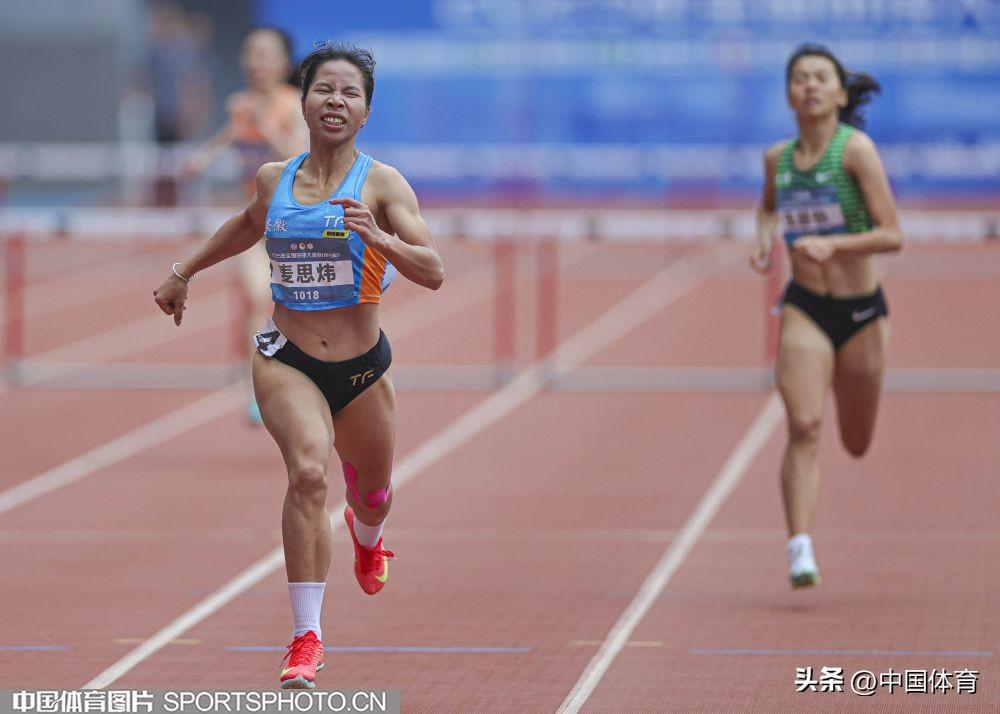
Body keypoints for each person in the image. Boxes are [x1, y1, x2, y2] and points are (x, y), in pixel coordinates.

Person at [154, 41, 445, 689]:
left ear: (365, 112)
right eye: (324, 89)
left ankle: (368, 536)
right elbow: (246, 224)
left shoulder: (382, 184)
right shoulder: (274, 179)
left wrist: (380, 238)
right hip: (287, 360)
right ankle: (306, 636)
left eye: (350, 93)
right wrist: (184, 271)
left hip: (362, 369)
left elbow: (434, 271)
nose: (335, 101)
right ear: (305, 99)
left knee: (373, 493)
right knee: (309, 474)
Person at [749, 44, 903, 589]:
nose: (810, 85)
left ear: (840, 93)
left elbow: (892, 235)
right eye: (799, 78)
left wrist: (835, 246)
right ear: (788, 95)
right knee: (804, 425)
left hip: (860, 311)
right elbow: (769, 205)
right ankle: (800, 548)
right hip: (806, 306)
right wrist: (764, 237)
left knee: (856, 441)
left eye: (820, 77)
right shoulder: (778, 159)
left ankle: (804, 539)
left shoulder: (855, 151)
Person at [183, 26, 308, 424]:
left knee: (299, 311)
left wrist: (265, 124)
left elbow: (301, 157)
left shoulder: (294, 106)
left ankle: (302, 379)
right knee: (255, 299)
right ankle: (256, 385)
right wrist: (201, 159)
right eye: (250, 53)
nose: (256, 62)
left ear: (282, 63)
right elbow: (229, 135)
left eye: (265, 54)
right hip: (254, 224)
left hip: (294, 225)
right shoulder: (239, 104)